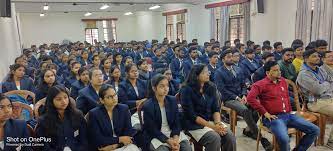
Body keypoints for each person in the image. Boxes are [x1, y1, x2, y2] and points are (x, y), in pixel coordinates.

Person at [248, 61, 319, 151]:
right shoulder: (260, 84)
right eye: (275, 70)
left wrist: (291, 112)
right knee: (285, 139)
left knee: (315, 130)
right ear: (267, 73)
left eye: (279, 70)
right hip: (273, 118)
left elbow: (285, 99)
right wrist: (265, 113)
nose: (279, 72)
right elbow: (250, 98)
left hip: (288, 115)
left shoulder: (282, 81)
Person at [214, 50, 272, 150]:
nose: (231, 58)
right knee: (245, 110)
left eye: (232, 56)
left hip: (241, 97)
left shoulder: (238, 69)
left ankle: (249, 129)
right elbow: (222, 90)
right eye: (228, 57)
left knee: (257, 106)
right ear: (223, 59)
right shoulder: (219, 72)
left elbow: (243, 84)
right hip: (229, 99)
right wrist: (237, 97)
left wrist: (244, 95)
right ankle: (261, 138)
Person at [180, 64, 236, 151]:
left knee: (229, 136)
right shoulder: (186, 89)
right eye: (204, 72)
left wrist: (217, 123)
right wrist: (213, 127)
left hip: (211, 121)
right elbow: (191, 115)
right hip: (194, 124)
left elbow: (216, 108)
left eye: (208, 72)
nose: (208, 74)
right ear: (196, 75)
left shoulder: (211, 87)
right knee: (214, 138)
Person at [143, 74, 191, 151]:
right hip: (156, 135)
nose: (166, 89)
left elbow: (176, 122)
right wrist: (169, 141)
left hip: (172, 132)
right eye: (162, 86)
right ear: (154, 88)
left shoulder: (172, 100)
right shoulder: (148, 105)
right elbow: (152, 129)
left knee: (187, 148)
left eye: (167, 85)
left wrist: (175, 139)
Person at [296, 49, 333, 148]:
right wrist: (326, 84)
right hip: (315, 102)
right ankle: (331, 142)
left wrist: (324, 84)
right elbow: (318, 90)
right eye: (314, 56)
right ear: (306, 58)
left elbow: (331, 79)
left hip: (327, 98)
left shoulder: (319, 69)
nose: (318, 58)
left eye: (318, 56)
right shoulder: (304, 74)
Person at [87, 85, 140, 151]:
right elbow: (98, 139)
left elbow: (128, 134)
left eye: (115, 95)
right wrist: (119, 139)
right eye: (109, 97)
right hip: (104, 148)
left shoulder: (124, 109)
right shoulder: (94, 114)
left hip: (123, 145)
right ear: (102, 100)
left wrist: (116, 145)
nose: (114, 98)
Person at [35, 85, 88, 151]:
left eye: (65, 97)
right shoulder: (44, 121)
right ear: (51, 101)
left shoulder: (78, 115)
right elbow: (43, 146)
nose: (64, 101)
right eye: (58, 99)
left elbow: (84, 140)